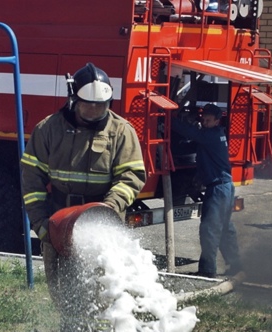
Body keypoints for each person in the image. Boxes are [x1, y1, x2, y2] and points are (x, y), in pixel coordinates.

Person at [20, 62, 146, 310]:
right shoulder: (48, 129)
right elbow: (31, 179)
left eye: (102, 104)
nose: (96, 109)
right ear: (73, 99)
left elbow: (131, 175)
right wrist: (42, 226)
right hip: (59, 224)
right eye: (89, 103)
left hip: (101, 227)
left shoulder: (121, 131)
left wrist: (109, 208)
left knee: (104, 294)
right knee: (64, 296)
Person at [171, 103, 243, 277]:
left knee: (209, 229)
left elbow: (191, 133)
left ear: (217, 121)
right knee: (225, 228)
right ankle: (236, 265)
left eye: (208, 120)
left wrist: (168, 119)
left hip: (218, 189)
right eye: (203, 119)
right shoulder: (214, 135)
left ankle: (207, 271)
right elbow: (188, 146)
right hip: (224, 186)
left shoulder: (210, 135)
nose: (204, 122)